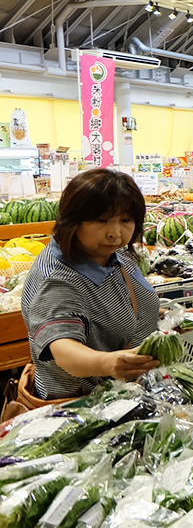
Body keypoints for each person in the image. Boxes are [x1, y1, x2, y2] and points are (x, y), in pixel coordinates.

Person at [21, 169, 162, 400]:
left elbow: (116, 301)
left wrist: (161, 313)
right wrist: (107, 363)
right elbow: (63, 349)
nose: (115, 234)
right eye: (101, 220)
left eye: (126, 220)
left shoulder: (111, 254)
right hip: (86, 407)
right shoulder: (58, 279)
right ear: (72, 220)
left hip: (131, 393)